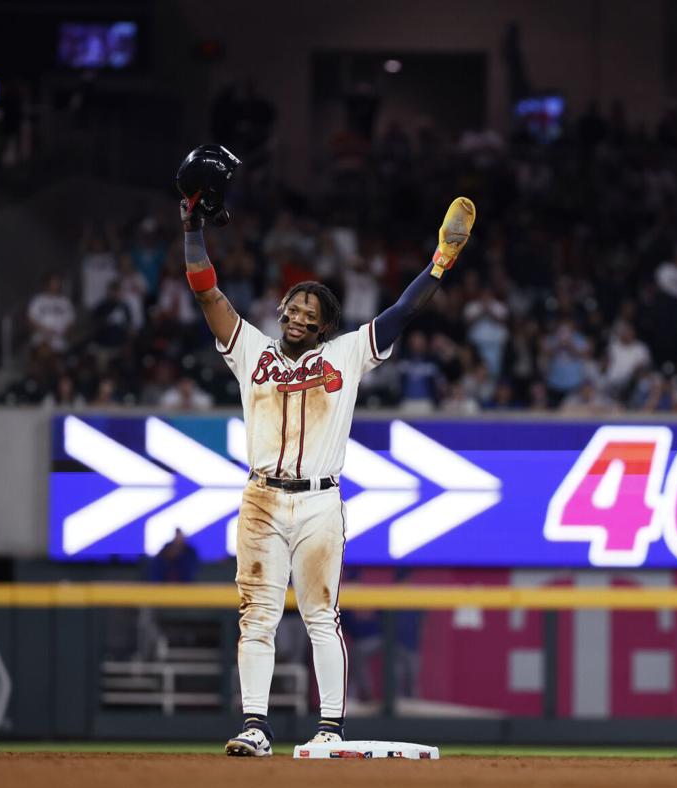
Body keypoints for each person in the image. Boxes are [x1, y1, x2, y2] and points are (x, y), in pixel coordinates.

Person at [179, 171, 475, 756]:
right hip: (261, 496)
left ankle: (330, 727)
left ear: (324, 324)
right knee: (257, 614)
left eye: (311, 311)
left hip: (320, 499)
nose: (298, 315)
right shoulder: (251, 348)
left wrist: (440, 261)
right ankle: (255, 726)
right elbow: (206, 291)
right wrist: (192, 228)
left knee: (321, 614)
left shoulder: (345, 353)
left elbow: (402, 310)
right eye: (294, 305)